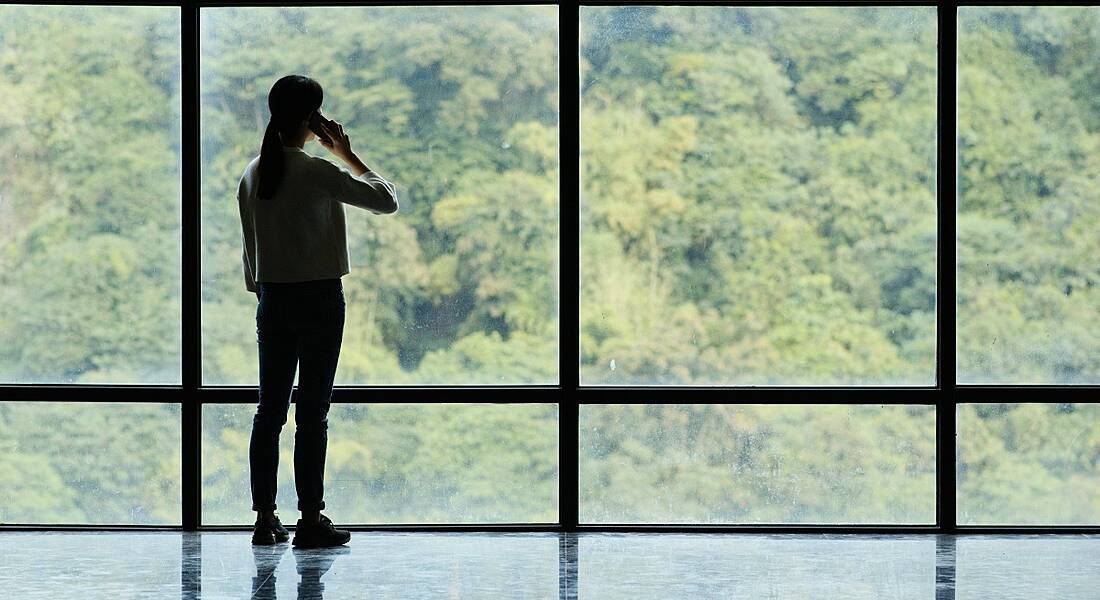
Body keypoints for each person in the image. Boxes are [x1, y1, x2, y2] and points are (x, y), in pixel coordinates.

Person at [238, 74, 398, 547]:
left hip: (272, 299)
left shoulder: (253, 173)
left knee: (270, 411)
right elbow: (386, 201)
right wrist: (346, 154)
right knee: (312, 412)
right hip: (319, 300)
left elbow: (250, 254)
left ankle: (265, 518)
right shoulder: (314, 171)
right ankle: (310, 519)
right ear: (313, 120)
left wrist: (268, 291)